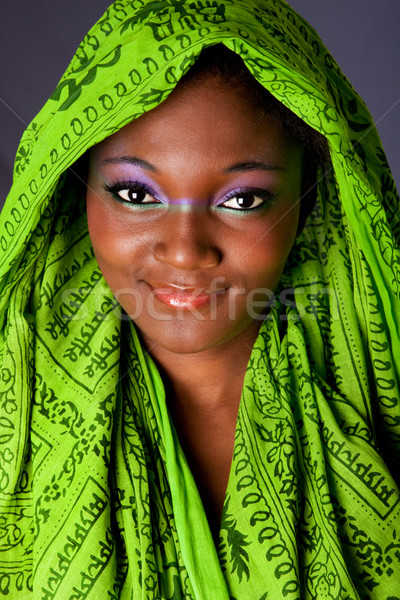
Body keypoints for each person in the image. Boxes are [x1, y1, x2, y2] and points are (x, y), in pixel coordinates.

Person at [0, 0, 399, 598]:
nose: (185, 252)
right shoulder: (14, 400)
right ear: (73, 192)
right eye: (135, 192)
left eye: (242, 200)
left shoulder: (379, 387)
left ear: (312, 198)